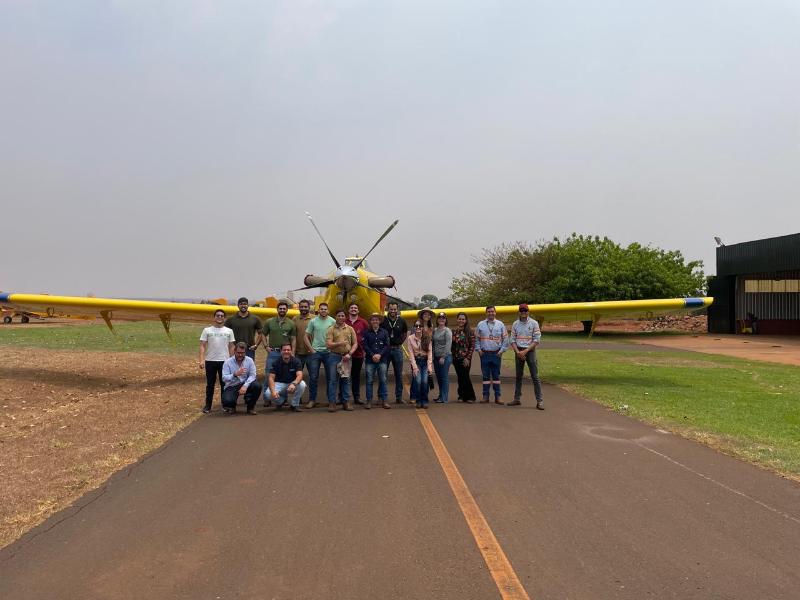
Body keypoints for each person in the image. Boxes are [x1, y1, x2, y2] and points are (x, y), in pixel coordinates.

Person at [198, 309, 235, 413]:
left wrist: (232, 361)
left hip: (225, 361)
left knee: (225, 384)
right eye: (217, 315)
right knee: (210, 385)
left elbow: (232, 346)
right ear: (214, 317)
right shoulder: (207, 330)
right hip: (210, 361)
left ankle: (225, 405)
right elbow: (202, 346)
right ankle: (208, 406)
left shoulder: (229, 331)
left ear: (224, 318)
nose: (219, 317)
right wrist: (201, 360)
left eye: (222, 316)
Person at [509, 304, 544, 409]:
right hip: (518, 350)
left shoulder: (534, 323)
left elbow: (537, 339)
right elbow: (512, 339)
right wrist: (518, 352)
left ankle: (539, 401)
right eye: (521, 310)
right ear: (519, 312)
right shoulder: (515, 324)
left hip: (530, 351)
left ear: (528, 312)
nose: (523, 312)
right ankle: (517, 399)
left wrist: (526, 351)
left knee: (535, 377)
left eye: (525, 310)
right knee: (518, 376)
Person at [261, 300, 296, 405]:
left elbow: (293, 338)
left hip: (286, 353)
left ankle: (283, 398)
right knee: (268, 375)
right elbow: (263, 334)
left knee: (283, 376)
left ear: (287, 310)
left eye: (284, 309)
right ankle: (267, 398)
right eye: (280, 308)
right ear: (277, 309)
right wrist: (266, 346)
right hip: (273, 353)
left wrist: (292, 352)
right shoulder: (269, 322)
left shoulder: (291, 323)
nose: (282, 310)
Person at [303, 302, 335, 409]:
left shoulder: (332, 321)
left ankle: (331, 400)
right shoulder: (313, 321)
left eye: (325, 309)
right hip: (316, 352)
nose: (323, 311)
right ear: (318, 310)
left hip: (329, 353)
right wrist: (311, 349)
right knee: (313, 377)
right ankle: (312, 400)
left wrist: (334, 348)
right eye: (321, 309)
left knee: (330, 377)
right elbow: (306, 336)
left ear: (328, 311)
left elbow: (337, 335)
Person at [474, 306, 508, 404]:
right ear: (486, 313)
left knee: (496, 376)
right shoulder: (480, 324)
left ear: (495, 313)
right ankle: (485, 396)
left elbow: (505, 339)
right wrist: (479, 350)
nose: (490, 313)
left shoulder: (500, 324)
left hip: (496, 354)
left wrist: (501, 351)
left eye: (492, 311)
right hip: (484, 354)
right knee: (485, 376)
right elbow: (476, 339)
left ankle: (498, 396)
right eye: (488, 312)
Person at [325, 309, 358, 412]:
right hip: (334, 356)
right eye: (339, 315)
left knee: (346, 380)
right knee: (333, 381)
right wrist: (339, 344)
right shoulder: (331, 329)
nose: (341, 317)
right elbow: (328, 344)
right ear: (335, 317)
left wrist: (350, 353)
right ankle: (332, 402)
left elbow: (355, 343)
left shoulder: (350, 329)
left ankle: (346, 402)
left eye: (342, 316)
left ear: (345, 317)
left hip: (346, 358)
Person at [221, 342, 262, 414]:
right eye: (238, 352)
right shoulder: (227, 362)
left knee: (257, 386)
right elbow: (224, 378)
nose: (240, 355)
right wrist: (234, 374)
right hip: (232, 385)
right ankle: (232, 406)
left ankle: (250, 407)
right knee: (227, 401)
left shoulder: (249, 360)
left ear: (245, 352)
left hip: (245, 384)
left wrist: (245, 386)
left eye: (242, 353)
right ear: (234, 351)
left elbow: (253, 375)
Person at [380, 301, 408, 404]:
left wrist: (400, 342)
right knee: (383, 374)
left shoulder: (401, 321)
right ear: (387, 309)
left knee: (398, 375)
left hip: (397, 349)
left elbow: (405, 333)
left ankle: (399, 397)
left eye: (395, 309)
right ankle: (382, 397)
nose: (393, 311)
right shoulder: (383, 320)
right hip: (385, 350)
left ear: (397, 310)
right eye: (391, 309)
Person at [362, 313, 391, 409]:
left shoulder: (385, 332)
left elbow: (387, 345)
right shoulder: (366, 332)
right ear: (370, 321)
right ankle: (369, 401)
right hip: (370, 360)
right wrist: (372, 355)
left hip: (382, 360)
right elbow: (365, 346)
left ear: (379, 321)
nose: (375, 321)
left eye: (377, 320)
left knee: (383, 380)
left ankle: (384, 400)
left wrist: (379, 354)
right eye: (373, 320)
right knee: (369, 381)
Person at [268, 343, 307, 412]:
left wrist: (294, 383)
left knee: (302, 384)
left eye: (288, 350)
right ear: (281, 351)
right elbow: (271, 378)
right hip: (279, 384)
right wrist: (273, 392)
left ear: (291, 351)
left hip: (292, 384)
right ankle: (280, 402)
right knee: (268, 394)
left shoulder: (296, 361)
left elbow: (300, 375)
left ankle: (294, 405)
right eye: (284, 350)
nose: (286, 351)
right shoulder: (276, 362)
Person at [345, 302, 369, 405]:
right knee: (344, 376)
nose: (353, 309)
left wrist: (365, 350)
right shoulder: (344, 321)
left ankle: (356, 397)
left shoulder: (363, 322)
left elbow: (368, 336)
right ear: (348, 310)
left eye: (355, 308)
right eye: (351, 308)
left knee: (356, 376)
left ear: (358, 310)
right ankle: (342, 397)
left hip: (358, 354)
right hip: (345, 354)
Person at [406, 320, 433, 409]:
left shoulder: (427, 337)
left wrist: (429, 366)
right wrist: (414, 367)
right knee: (418, 381)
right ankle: (418, 400)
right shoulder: (410, 338)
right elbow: (410, 354)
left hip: (425, 362)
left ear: (422, 328)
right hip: (416, 361)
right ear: (414, 327)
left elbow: (430, 353)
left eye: (420, 326)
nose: (418, 328)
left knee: (424, 382)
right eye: (416, 326)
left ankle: (424, 400)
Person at [451, 312, 477, 403]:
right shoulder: (454, 332)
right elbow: (452, 346)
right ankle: (461, 396)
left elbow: (472, 346)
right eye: (459, 319)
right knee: (460, 377)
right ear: (457, 320)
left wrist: (468, 358)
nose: (461, 320)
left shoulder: (470, 332)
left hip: (465, 358)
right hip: (456, 358)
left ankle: (471, 396)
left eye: (463, 319)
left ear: (466, 320)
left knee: (465, 377)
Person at [411, 307, 435, 401]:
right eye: (425, 314)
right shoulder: (417, 325)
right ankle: (414, 396)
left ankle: (424, 397)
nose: (427, 316)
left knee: (425, 379)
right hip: (417, 354)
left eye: (428, 314)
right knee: (416, 378)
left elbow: (431, 340)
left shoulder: (431, 327)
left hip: (427, 352)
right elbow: (413, 339)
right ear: (422, 315)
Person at [432, 312, 453, 403]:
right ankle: (440, 395)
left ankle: (444, 398)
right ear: (437, 320)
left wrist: (443, 357)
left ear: (445, 320)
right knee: (439, 377)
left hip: (445, 357)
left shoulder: (447, 330)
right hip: (436, 357)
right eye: (440, 318)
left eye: (443, 318)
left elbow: (448, 344)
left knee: (444, 377)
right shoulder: (435, 330)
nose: (441, 319)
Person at [293, 299, 314, 369]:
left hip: (311, 352)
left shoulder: (315, 318)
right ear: (299, 307)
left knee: (313, 375)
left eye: (305, 307)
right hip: (298, 353)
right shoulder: (295, 319)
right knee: (297, 374)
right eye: (301, 307)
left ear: (309, 307)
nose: (303, 308)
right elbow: (292, 336)